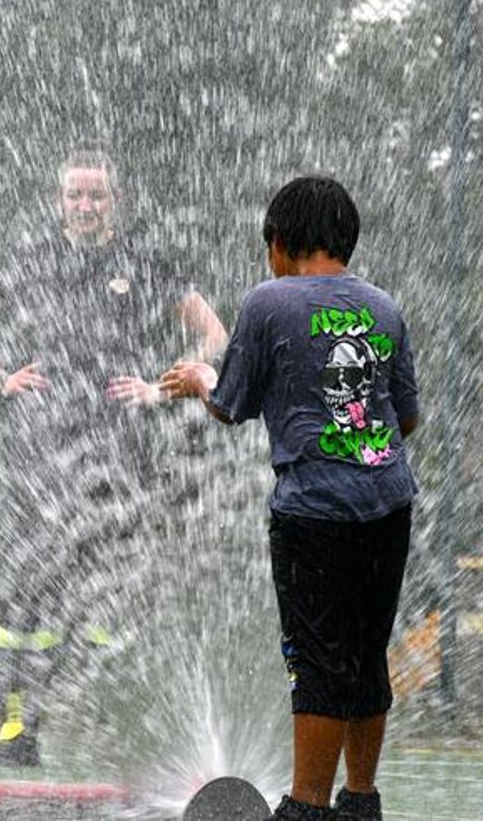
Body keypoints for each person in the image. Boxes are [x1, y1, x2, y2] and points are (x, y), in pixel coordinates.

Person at [0, 144, 227, 766]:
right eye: (76, 195)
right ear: (59, 201)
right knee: (30, 588)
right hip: (39, 451)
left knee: (113, 591)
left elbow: (216, 335)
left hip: (120, 453)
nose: (86, 204)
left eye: (97, 195)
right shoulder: (27, 257)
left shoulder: (143, 259)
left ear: (113, 201)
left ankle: (114, 729)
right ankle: (20, 729)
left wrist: (158, 389)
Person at [161, 176, 419, 821]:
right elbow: (405, 417)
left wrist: (198, 378)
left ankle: (305, 806)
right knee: (365, 652)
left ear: (280, 241)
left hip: (313, 512)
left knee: (316, 658)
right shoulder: (384, 308)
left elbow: (232, 404)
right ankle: (360, 800)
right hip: (388, 503)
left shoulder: (269, 301)